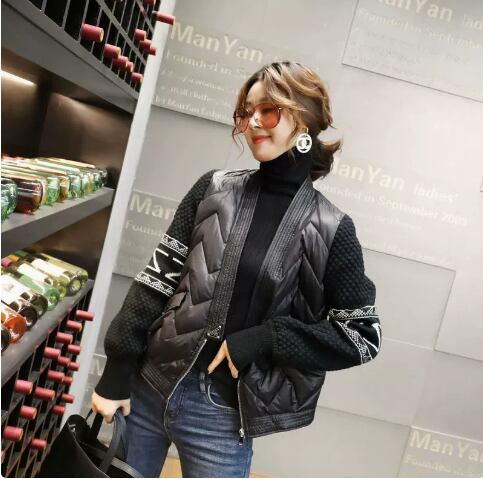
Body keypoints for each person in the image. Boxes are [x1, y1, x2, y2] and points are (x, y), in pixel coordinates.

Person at [91, 61, 382, 478]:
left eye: (268, 111)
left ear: (304, 120)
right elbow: (157, 279)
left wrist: (266, 338)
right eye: (246, 113)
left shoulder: (332, 229)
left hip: (222, 413)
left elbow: (362, 336)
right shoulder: (212, 188)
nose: (253, 123)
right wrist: (117, 370)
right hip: (149, 385)